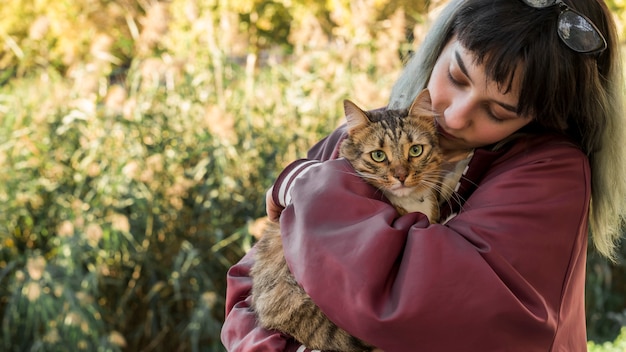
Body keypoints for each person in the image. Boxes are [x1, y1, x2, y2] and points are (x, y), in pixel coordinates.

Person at [221, 0, 626, 350]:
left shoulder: (551, 174)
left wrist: (304, 182)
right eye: (456, 77)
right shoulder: (367, 133)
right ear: (442, 41)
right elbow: (245, 287)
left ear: (543, 118)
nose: (454, 115)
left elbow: (424, 300)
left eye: (498, 111)